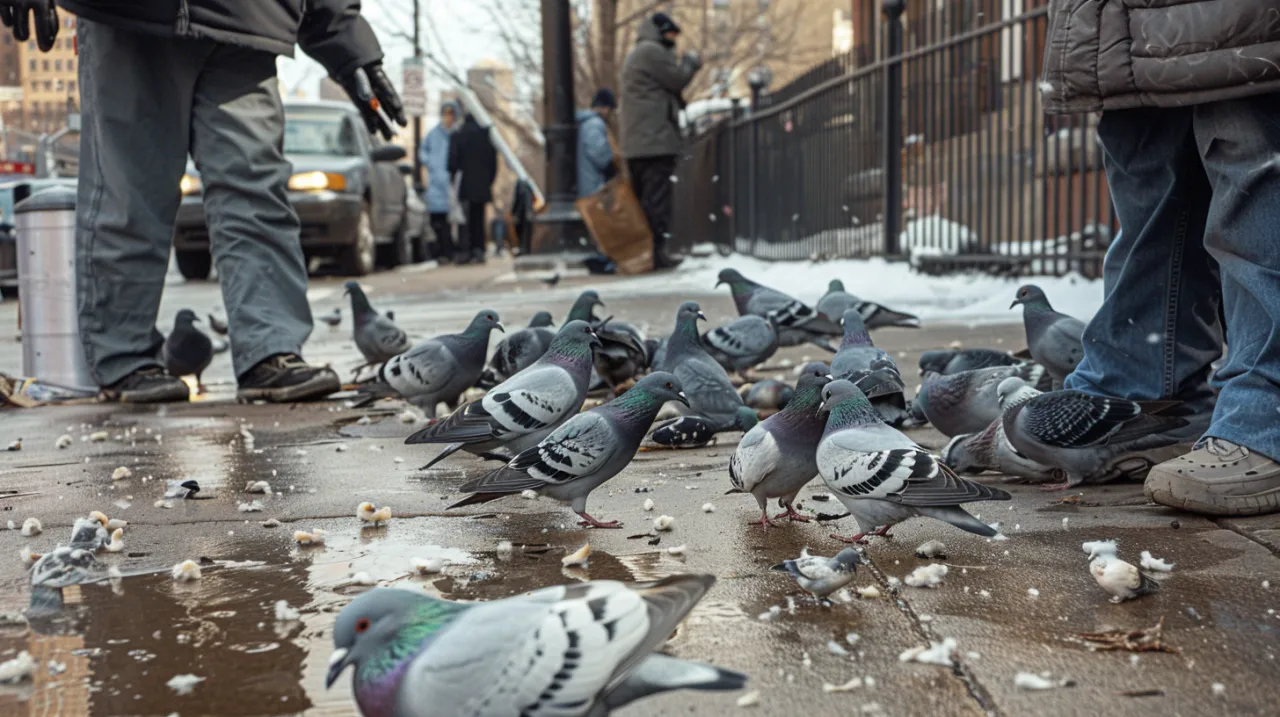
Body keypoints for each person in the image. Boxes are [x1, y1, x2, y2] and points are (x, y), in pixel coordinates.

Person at [62, 0, 406, 404]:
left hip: (248, 17)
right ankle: (124, 359)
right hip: (135, 17)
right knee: (130, 192)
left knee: (256, 191)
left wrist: (344, 36)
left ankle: (270, 348)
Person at [1040, 2, 1280, 516]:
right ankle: (1153, 399)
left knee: (1247, 136)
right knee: (1149, 167)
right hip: (1128, 23)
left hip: (1239, 23)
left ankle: (1267, 408)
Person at [620, 12, 701, 270]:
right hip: (653, 143)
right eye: (670, 35)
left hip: (641, 143)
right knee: (656, 203)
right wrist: (690, 63)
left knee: (646, 201)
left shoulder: (640, 52)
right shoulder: (650, 51)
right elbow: (677, 79)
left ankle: (647, 254)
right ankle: (655, 254)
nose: (673, 41)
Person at [447, 111, 499, 265]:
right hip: (482, 184)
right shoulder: (486, 136)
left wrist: (453, 177)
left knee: (465, 219)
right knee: (479, 217)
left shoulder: (458, 135)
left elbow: (451, 162)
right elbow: (493, 164)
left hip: (465, 183)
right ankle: (479, 249)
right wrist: (488, 181)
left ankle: (466, 250)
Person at [419, 100, 460, 262]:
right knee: (437, 221)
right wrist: (430, 163)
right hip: (436, 183)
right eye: (445, 113)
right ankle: (442, 252)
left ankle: (451, 251)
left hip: (453, 183)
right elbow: (422, 151)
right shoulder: (433, 134)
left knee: (454, 222)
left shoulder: (457, 133)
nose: (448, 117)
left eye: (451, 114)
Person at [576, 88, 617, 198]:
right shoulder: (594, 124)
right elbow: (601, 156)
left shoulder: (582, 123)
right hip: (593, 186)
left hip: (582, 185)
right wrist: (613, 169)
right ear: (606, 108)